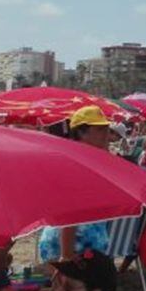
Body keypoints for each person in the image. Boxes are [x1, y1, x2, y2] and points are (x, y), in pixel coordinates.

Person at [38, 107, 113, 265]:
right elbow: (70, 211)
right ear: (81, 133)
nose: (106, 134)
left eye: (107, 129)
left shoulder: (95, 159)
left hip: (86, 242)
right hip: (70, 245)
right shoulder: (75, 162)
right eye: (100, 129)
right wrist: (66, 256)